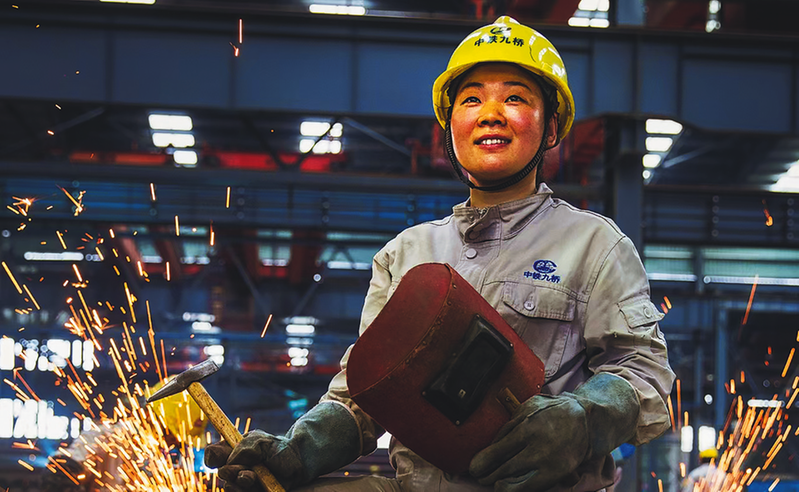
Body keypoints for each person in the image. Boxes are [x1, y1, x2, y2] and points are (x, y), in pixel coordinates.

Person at [206, 16, 675, 492]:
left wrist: (583, 419)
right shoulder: (405, 255)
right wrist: (300, 449)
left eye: (515, 98)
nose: (491, 114)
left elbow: (646, 375)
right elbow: (366, 395)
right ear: (450, 128)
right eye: (472, 99)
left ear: (550, 128)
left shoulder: (595, 245)